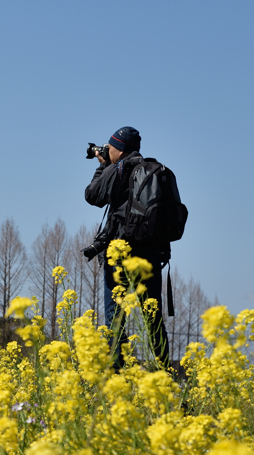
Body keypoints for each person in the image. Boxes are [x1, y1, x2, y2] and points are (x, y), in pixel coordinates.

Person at [83, 126, 171, 368]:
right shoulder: (155, 170)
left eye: (109, 148)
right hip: (151, 255)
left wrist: (102, 165)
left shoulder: (118, 167)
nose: (107, 152)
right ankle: (166, 374)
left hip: (121, 252)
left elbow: (92, 196)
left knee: (115, 317)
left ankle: (116, 376)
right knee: (152, 317)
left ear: (119, 151)